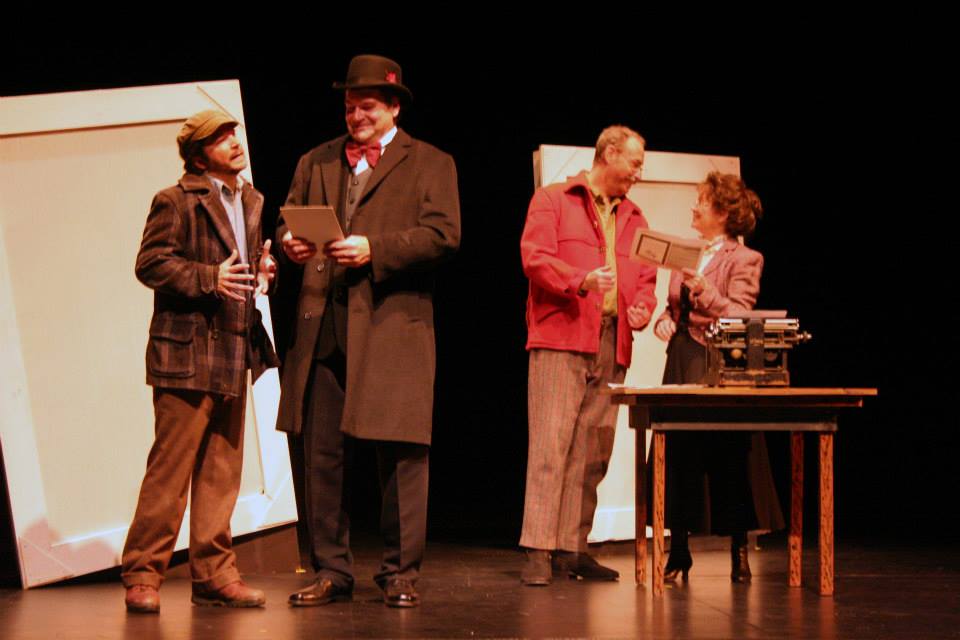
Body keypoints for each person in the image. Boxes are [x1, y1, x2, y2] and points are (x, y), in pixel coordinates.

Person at [275, 54, 460, 609]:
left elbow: (443, 235)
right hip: (324, 327)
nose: (356, 115)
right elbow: (288, 219)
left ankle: (400, 573)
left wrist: (375, 249)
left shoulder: (430, 162)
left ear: (394, 107)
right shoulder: (317, 159)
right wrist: (290, 242)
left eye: (368, 107)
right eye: (350, 106)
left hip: (390, 325)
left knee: (400, 454)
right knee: (322, 457)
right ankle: (331, 570)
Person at [122, 110, 279, 613]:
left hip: (233, 348)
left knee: (221, 472)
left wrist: (263, 269)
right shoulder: (175, 200)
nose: (234, 141)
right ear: (197, 156)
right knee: (169, 473)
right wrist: (210, 277)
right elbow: (151, 263)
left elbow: (242, 267)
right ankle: (143, 573)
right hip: (187, 353)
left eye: (233, 133)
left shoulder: (251, 200)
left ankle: (214, 574)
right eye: (219, 138)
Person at [519, 125, 658, 586]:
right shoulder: (554, 200)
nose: (638, 173)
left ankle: (572, 547)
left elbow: (645, 279)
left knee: (593, 450)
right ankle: (538, 549)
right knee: (551, 445)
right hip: (562, 335)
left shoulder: (635, 216)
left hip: (613, 340)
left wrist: (643, 307)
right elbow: (534, 258)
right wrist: (579, 279)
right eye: (634, 162)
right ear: (609, 153)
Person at [652, 171, 784, 583]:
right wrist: (664, 320)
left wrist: (705, 290)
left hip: (719, 361)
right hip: (682, 357)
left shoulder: (744, 258)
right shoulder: (686, 252)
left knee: (728, 453)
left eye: (703, 202)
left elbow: (741, 313)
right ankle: (678, 550)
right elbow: (675, 307)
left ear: (723, 213)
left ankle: (739, 551)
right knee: (679, 453)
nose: (695, 207)